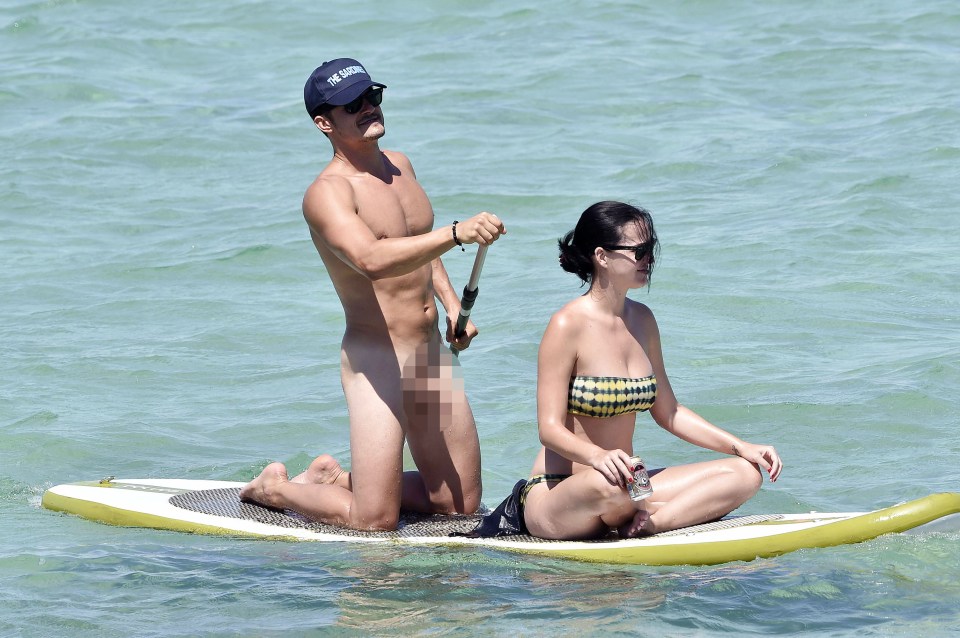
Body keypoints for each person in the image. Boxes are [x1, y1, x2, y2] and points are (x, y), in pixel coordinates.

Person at [240, 58, 506, 531]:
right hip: (376, 361)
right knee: (374, 521)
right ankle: (274, 489)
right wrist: (457, 231)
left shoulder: (400, 166)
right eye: (352, 105)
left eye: (373, 96)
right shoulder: (327, 193)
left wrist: (449, 305)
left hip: (428, 355)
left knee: (458, 506)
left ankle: (332, 478)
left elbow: (416, 244)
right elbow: (372, 257)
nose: (368, 108)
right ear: (324, 122)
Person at [480, 201, 781, 540]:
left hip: (628, 482)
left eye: (651, 250)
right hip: (561, 491)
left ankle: (651, 523)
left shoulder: (643, 321)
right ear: (602, 256)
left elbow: (670, 412)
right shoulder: (567, 324)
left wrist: (741, 446)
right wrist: (598, 456)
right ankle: (646, 509)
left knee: (745, 474)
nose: (648, 260)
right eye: (639, 252)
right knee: (607, 486)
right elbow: (548, 429)